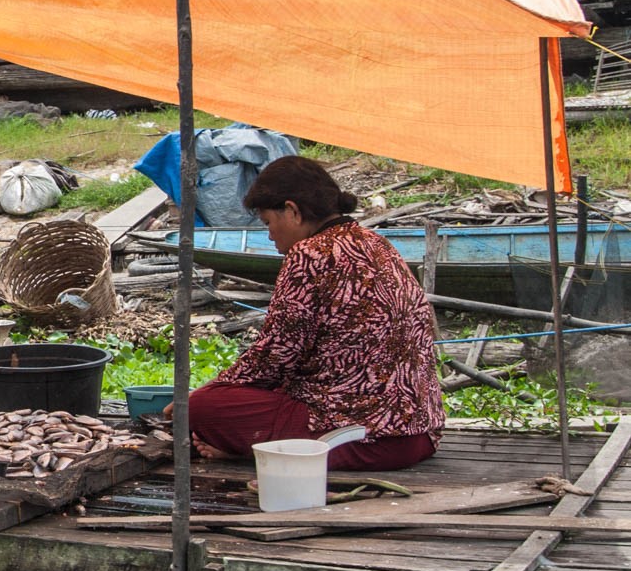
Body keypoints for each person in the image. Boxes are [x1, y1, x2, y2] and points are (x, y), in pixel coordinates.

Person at [167, 155, 444, 471]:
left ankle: (265, 451)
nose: (270, 236)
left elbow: (273, 359)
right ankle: (261, 448)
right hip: (420, 436)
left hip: (364, 439)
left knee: (201, 408)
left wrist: (204, 393)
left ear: (293, 211)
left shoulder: (309, 254)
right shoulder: (378, 243)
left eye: (269, 223)